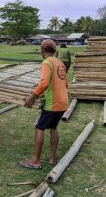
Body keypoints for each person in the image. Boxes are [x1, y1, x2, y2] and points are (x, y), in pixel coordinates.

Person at [20, 39, 68, 169]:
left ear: (42, 51)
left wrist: (33, 95)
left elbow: (44, 83)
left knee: (39, 127)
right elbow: (65, 83)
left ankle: (35, 161)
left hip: (53, 104)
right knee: (53, 128)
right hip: (63, 102)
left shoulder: (47, 63)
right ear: (54, 50)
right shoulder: (60, 63)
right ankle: (52, 158)